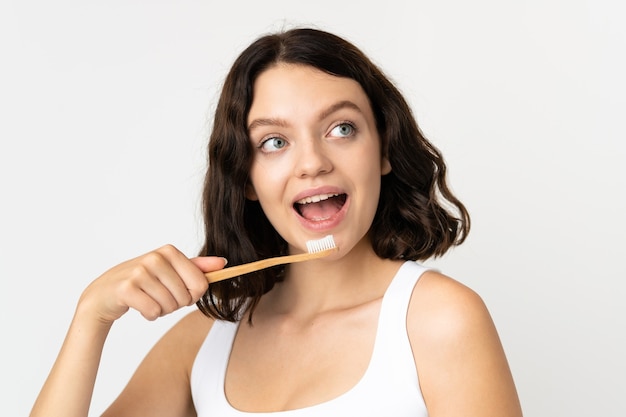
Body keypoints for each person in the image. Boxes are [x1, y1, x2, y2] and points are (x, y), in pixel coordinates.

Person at [30, 27, 523, 416]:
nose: (312, 163)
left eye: (341, 128)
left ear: (384, 150)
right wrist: (90, 317)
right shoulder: (208, 336)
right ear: (246, 178)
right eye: (274, 142)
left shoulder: (440, 320)